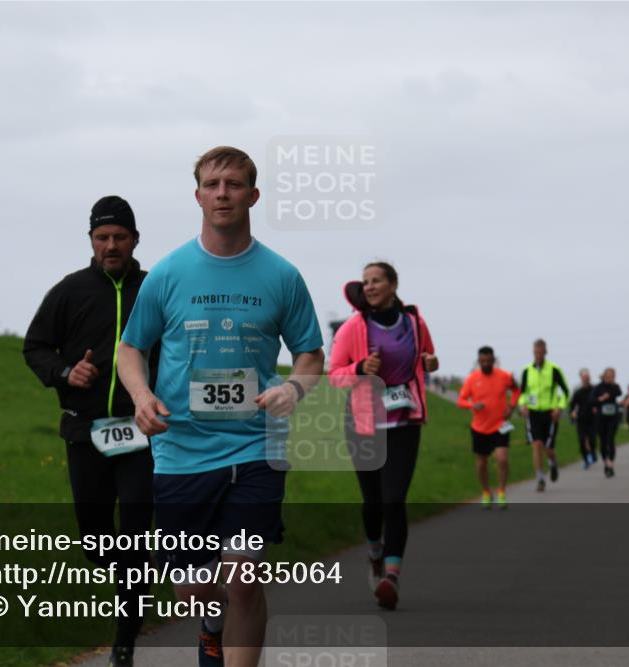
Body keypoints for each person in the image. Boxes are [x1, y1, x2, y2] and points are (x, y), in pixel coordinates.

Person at [117, 146, 325, 667]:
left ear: (253, 195)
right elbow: (130, 348)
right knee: (193, 590)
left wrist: (293, 390)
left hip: (256, 443)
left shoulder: (281, 275)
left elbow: (310, 356)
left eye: (233, 184)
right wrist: (141, 396)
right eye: (212, 185)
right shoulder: (168, 273)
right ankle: (211, 630)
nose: (223, 194)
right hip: (182, 449)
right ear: (198, 196)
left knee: (244, 578)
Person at [23, 195, 156, 667]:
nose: (112, 245)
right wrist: (64, 374)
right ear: (92, 242)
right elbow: (35, 347)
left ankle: (124, 641)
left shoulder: (154, 287)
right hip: (87, 433)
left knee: (137, 535)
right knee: (97, 539)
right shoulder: (69, 291)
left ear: (135, 239)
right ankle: (140, 581)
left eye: (120, 236)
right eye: (103, 238)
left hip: (143, 434)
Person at [329, 261, 438, 610]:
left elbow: (427, 356)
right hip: (363, 425)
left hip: (404, 421)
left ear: (393, 284)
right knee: (373, 503)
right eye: (366, 282)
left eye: (376, 281)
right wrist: (359, 368)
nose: (370, 286)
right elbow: (335, 375)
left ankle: (391, 577)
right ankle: (375, 551)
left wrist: (432, 362)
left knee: (395, 500)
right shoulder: (352, 327)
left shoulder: (414, 322)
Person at [457, 346, 520, 508]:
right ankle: (486, 491)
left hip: (500, 425)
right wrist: (472, 405)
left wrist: (511, 407)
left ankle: (501, 492)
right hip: (479, 428)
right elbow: (461, 400)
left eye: (488, 361)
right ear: (479, 361)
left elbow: (516, 390)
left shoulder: (504, 376)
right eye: (483, 361)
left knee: (502, 459)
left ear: (494, 360)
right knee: (481, 463)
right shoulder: (472, 379)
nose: (486, 364)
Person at [518, 339, 571, 492]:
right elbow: (522, 393)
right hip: (533, 412)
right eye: (536, 352)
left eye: (541, 352)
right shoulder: (527, 370)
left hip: (550, 413)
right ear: (533, 353)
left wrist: (559, 408)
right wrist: (522, 405)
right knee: (536, 445)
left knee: (548, 448)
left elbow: (566, 391)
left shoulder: (554, 369)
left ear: (546, 352)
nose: (538, 355)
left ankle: (553, 463)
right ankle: (540, 478)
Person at [590, 368, 623, 478]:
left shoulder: (615, 386)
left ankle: (611, 465)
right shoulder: (598, 387)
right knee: (603, 442)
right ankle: (606, 463)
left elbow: (619, 392)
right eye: (608, 376)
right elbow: (592, 400)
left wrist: (609, 393)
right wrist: (600, 399)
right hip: (601, 418)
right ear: (604, 376)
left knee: (610, 439)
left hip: (613, 417)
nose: (610, 378)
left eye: (612, 376)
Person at [568, 368, 597, 469]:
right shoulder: (578, 391)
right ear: (581, 378)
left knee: (592, 440)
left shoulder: (594, 389)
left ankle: (593, 452)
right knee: (581, 440)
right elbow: (572, 405)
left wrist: (596, 408)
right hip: (581, 419)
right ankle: (585, 459)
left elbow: (599, 402)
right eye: (584, 377)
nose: (586, 379)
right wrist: (573, 413)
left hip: (593, 419)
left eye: (587, 377)